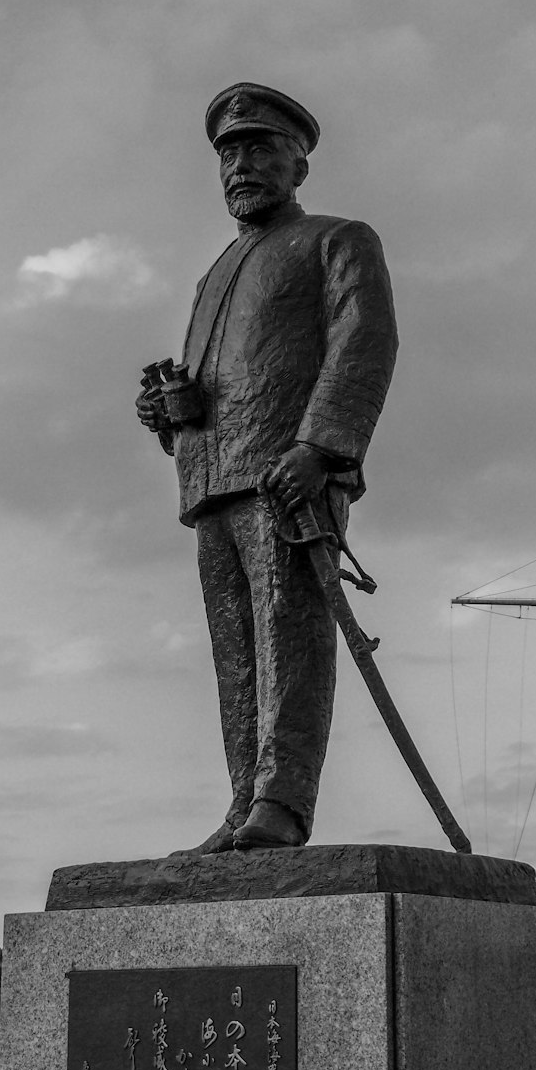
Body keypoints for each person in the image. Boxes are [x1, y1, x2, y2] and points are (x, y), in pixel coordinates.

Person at [138, 83, 398, 853]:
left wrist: (321, 447)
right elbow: (220, 386)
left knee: (290, 640)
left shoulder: (338, 239)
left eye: (256, 147)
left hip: (287, 477)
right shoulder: (214, 273)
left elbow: (365, 343)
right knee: (237, 655)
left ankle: (282, 804)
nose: (239, 165)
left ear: (299, 163)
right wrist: (169, 412)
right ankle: (242, 803)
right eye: (228, 152)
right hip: (214, 480)